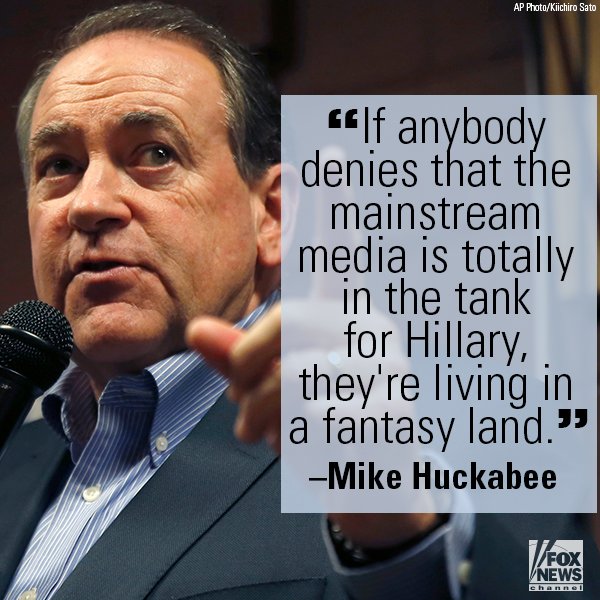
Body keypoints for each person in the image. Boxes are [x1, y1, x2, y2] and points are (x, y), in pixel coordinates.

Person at [0, 3, 473, 599]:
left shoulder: (411, 443)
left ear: (271, 215)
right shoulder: (11, 455)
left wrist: (398, 536)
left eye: (155, 153)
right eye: (60, 165)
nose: (89, 204)